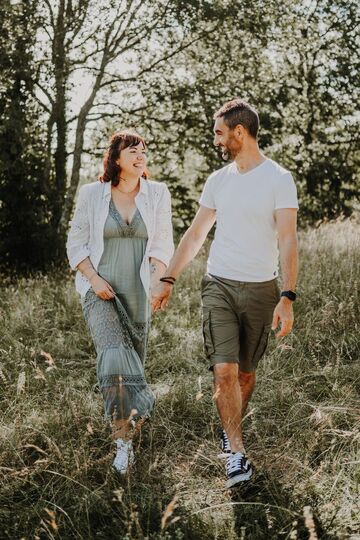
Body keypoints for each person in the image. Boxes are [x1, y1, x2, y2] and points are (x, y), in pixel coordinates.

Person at [151, 99, 298, 488]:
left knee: (246, 375)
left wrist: (287, 296)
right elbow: (197, 234)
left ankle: (229, 426)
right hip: (218, 284)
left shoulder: (279, 179)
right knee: (225, 370)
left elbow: (287, 240)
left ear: (239, 132)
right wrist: (168, 278)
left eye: (219, 132)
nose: (215, 139)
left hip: (263, 288)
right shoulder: (218, 180)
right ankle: (236, 453)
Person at [66, 130, 174, 474]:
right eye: (133, 151)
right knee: (114, 362)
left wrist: (160, 281)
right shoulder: (93, 194)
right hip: (100, 291)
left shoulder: (157, 194)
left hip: (138, 291)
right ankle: (122, 446)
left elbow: (161, 244)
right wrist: (94, 280)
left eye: (143, 150)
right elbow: (76, 243)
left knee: (133, 366)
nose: (141, 156)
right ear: (116, 159)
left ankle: (131, 429)